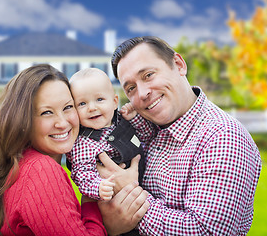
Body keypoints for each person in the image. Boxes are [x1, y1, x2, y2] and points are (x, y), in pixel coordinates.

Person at [99, 36, 262, 235]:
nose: (142, 93)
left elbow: (206, 232)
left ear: (178, 65)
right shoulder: (146, 129)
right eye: (131, 88)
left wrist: (130, 198)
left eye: (148, 75)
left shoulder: (222, 136)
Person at [0, 64, 149, 236]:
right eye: (46, 112)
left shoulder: (24, 163)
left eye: (67, 107)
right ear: (23, 121)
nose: (63, 123)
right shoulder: (41, 170)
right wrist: (102, 217)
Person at [66, 68, 145, 201]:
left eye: (99, 99)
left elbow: (146, 136)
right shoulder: (83, 143)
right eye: (82, 103)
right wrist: (98, 187)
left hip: (147, 185)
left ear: (114, 102)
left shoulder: (122, 120)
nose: (92, 108)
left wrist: (134, 118)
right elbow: (82, 174)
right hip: (116, 198)